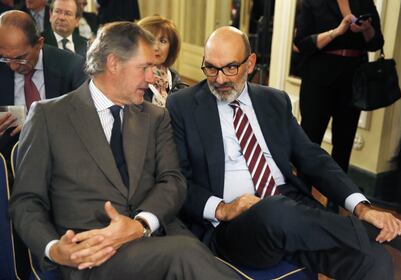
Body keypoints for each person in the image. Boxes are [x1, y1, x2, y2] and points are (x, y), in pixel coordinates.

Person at [166, 26, 401, 280]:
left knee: (374, 260)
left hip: (293, 215)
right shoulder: (182, 106)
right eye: (210, 68)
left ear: (250, 64)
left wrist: (361, 207)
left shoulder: (274, 101)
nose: (219, 79)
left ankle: (365, 225)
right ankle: (393, 237)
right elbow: (178, 181)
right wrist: (222, 209)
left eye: (230, 68)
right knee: (274, 210)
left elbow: (314, 159)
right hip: (234, 227)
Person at [9, 21, 239, 280]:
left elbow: (172, 180)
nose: (153, 77)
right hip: (96, 256)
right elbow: (26, 202)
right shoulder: (49, 116)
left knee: (194, 256)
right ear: (114, 63)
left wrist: (141, 224)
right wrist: (54, 250)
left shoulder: (156, 117)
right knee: (187, 256)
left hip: (158, 237)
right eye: (145, 68)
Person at [294, 0, 384, 172]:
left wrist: (366, 29)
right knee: (310, 139)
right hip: (318, 79)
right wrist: (336, 32)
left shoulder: (365, 3)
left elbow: (377, 43)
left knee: (344, 142)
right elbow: (302, 43)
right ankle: (302, 193)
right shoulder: (312, 2)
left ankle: (338, 196)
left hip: (353, 81)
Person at [0, 10, 85, 160]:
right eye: (6, 58)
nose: (13, 66)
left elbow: (85, 117)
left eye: (20, 58)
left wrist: (37, 126)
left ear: (39, 43)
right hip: (10, 162)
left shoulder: (71, 66)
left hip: (61, 157)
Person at [138, 15, 187, 107]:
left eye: (163, 41)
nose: (156, 47)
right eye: (150, 40)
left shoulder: (174, 77)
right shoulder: (132, 78)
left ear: (171, 48)